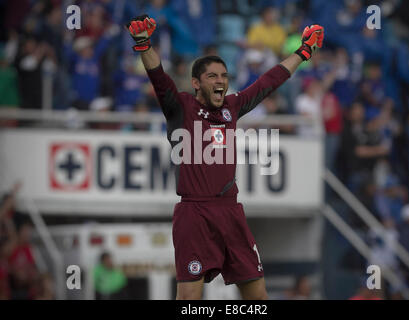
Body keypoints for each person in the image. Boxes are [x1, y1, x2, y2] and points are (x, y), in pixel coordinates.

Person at [126, 15, 324, 300]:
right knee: (189, 301)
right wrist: (144, 44)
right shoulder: (180, 107)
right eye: (212, 77)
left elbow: (269, 81)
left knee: (258, 299)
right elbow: (158, 77)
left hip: (231, 212)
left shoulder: (232, 106)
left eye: (224, 76)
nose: (221, 81)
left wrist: (303, 53)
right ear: (196, 83)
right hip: (194, 214)